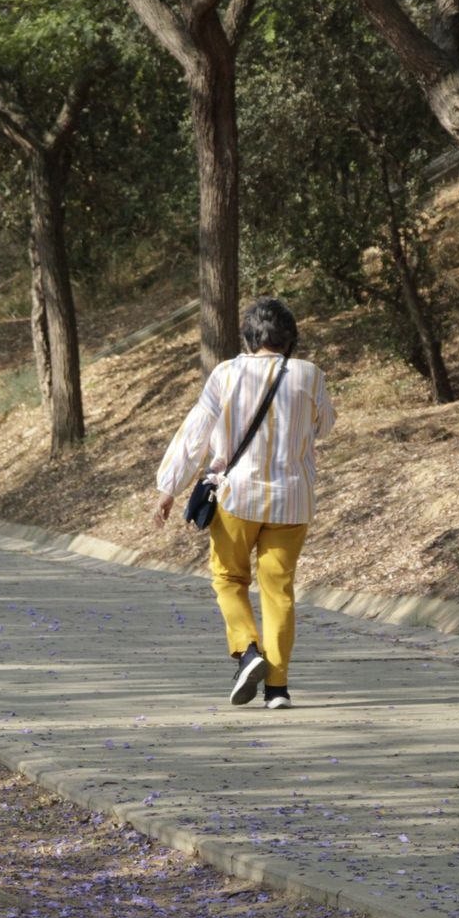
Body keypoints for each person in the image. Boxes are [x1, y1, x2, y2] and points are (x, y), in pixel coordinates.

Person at [151, 298, 335, 709]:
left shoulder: (227, 373)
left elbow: (195, 431)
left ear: (249, 336)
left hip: (237, 496)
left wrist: (170, 487)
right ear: (290, 337)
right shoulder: (310, 375)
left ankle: (248, 652)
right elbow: (325, 426)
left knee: (230, 581)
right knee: (279, 590)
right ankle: (278, 689)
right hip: (293, 499)